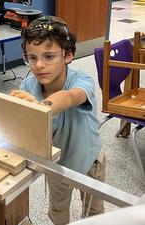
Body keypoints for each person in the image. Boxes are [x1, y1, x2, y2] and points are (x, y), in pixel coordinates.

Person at [10, 16, 106, 225]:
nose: (39, 65)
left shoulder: (82, 80)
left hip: (89, 159)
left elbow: (69, 97)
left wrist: (40, 108)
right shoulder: (28, 85)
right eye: (32, 58)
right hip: (56, 164)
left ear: (68, 55)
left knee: (94, 212)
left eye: (49, 56)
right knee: (57, 208)